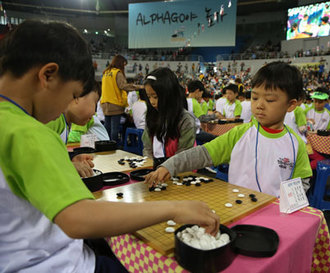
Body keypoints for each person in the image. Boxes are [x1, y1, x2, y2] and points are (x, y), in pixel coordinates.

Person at [0, 20, 219, 273]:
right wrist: (174, 208)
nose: (65, 107)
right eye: (72, 95)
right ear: (48, 75)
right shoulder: (29, 133)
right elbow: (79, 218)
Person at [144, 62, 312, 197]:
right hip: (238, 210)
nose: (259, 105)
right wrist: (169, 166)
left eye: (269, 100)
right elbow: (202, 154)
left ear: (291, 105)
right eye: (254, 97)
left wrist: (286, 206)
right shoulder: (239, 134)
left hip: (275, 215)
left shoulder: (295, 143)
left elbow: (302, 182)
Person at [142, 68, 197, 169]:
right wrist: (149, 165)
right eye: (149, 97)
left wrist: (164, 170)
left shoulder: (185, 120)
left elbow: (182, 155)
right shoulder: (152, 115)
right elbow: (147, 148)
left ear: (169, 95)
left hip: (180, 170)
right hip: (156, 169)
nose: (152, 102)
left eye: (155, 97)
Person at [46, 81, 101, 178]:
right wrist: (67, 165)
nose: (94, 113)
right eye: (95, 103)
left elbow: (51, 154)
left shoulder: (65, 123)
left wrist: (71, 158)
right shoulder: (54, 120)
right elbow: (36, 157)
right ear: (77, 97)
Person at [100, 54, 140, 146]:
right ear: (120, 63)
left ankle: (105, 145)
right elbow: (123, 86)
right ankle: (113, 146)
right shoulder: (117, 72)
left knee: (107, 127)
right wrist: (138, 87)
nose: (124, 67)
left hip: (105, 103)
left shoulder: (106, 72)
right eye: (124, 64)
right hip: (115, 104)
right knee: (114, 129)